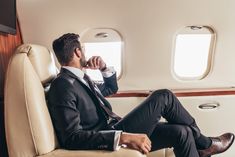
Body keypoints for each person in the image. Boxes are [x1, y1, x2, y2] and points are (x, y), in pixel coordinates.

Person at [47, 33, 234, 157]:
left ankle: (202, 146)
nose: (85, 53)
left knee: (181, 132)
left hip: (114, 125)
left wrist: (104, 68)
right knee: (163, 96)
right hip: (111, 132)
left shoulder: (81, 79)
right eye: (83, 50)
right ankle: (205, 143)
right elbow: (71, 137)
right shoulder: (63, 85)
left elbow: (111, 89)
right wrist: (123, 137)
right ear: (78, 51)